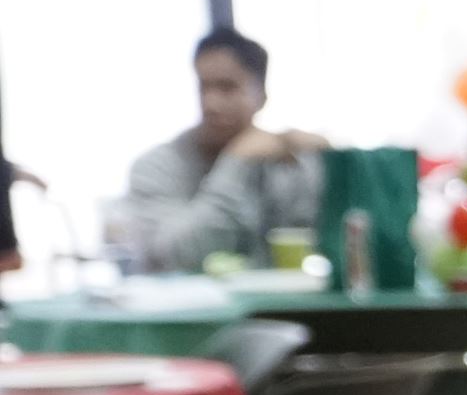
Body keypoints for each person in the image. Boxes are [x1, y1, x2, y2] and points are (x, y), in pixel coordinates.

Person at [118, 29, 324, 274]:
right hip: (191, 311)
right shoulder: (154, 168)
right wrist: (235, 163)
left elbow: (316, 242)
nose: (211, 104)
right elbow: (177, 256)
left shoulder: (283, 161)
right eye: (203, 88)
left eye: (227, 88)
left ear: (262, 96)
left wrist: (328, 161)